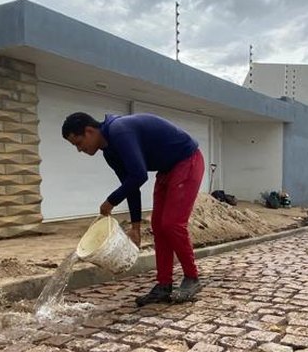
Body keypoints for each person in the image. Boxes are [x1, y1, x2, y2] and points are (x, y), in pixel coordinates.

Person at [61, 112, 204, 305]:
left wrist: (110, 201)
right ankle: (164, 285)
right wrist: (135, 227)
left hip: (187, 160)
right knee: (159, 226)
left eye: (78, 143)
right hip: (167, 170)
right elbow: (132, 185)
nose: (79, 149)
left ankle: (191, 278)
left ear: (89, 131)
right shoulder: (110, 153)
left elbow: (138, 176)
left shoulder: (120, 131)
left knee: (172, 224)